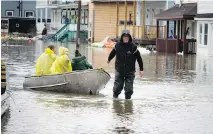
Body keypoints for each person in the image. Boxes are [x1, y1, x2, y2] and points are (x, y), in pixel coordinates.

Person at [107, 30, 144, 99]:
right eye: (124, 37)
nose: (126, 38)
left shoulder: (133, 47)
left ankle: (128, 103)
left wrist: (141, 69)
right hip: (119, 70)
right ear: (122, 37)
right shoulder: (117, 45)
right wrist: (109, 59)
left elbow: (139, 58)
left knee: (129, 90)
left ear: (129, 38)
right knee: (117, 88)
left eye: (127, 37)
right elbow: (113, 53)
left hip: (130, 71)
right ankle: (115, 99)